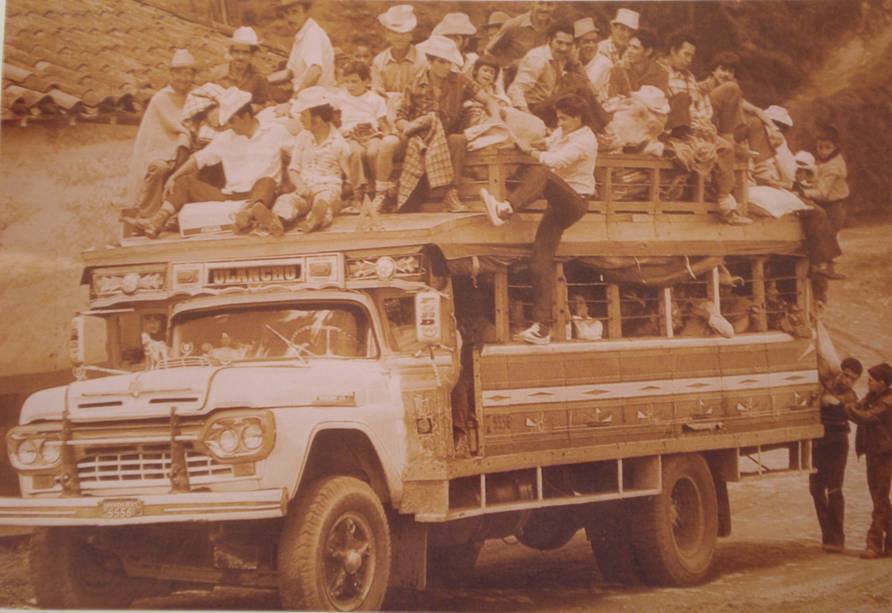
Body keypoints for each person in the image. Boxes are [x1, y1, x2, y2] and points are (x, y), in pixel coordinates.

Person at [479, 95, 596, 345]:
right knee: (539, 261)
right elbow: (546, 143)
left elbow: (553, 161)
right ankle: (543, 328)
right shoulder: (562, 134)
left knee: (544, 174)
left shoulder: (585, 140)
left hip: (575, 201)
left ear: (577, 118)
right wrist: (523, 142)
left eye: (564, 118)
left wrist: (532, 151)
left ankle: (506, 210)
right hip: (558, 205)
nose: (560, 122)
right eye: (559, 117)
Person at [131, 88, 292, 238]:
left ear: (247, 117)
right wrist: (174, 175)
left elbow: (297, 155)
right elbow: (198, 159)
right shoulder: (226, 138)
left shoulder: (276, 131)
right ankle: (158, 220)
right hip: (230, 196)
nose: (229, 126)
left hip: (262, 195)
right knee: (184, 182)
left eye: (232, 121)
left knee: (267, 181)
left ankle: (251, 213)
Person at [374, 36, 501, 214]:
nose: (446, 67)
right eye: (441, 62)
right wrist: (410, 126)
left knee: (458, 140)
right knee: (388, 143)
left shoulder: (459, 81)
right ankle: (380, 194)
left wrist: (496, 116)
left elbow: (487, 99)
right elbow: (400, 117)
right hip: (417, 135)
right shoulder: (415, 84)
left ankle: (451, 194)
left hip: (445, 135)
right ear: (430, 61)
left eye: (449, 62)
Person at [660, 30, 752, 225]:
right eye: (686, 54)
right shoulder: (660, 72)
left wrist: (704, 124)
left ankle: (724, 202)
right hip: (671, 127)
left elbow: (701, 108)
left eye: (692, 55)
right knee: (707, 147)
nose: (689, 59)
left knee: (725, 147)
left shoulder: (689, 78)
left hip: (694, 127)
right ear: (673, 51)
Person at [126, 49, 195, 214]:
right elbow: (160, 130)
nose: (184, 79)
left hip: (187, 148)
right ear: (172, 74)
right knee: (160, 168)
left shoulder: (194, 95)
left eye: (188, 74)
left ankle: (176, 217)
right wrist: (183, 135)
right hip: (159, 151)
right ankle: (147, 214)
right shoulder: (160, 98)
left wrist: (186, 136)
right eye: (179, 73)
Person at [273, 87, 351, 233]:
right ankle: (278, 220)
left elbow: (350, 177)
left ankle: (315, 219)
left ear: (317, 119)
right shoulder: (303, 137)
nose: (301, 119)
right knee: (286, 200)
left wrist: (342, 193)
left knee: (324, 201)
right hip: (305, 190)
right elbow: (293, 168)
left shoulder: (339, 143)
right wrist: (300, 186)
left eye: (304, 115)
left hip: (328, 188)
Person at [508, 20, 608, 129]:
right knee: (579, 89)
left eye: (568, 44)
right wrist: (528, 117)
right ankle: (603, 129)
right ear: (549, 40)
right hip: (535, 109)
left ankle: (599, 130)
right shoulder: (538, 58)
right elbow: (515, 89)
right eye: (559, 42)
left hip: (551, 105)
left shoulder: (564, 55)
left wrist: (595, 94)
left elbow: (582, 75)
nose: (563, 48)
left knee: (576, 82)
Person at [810, 356, 863, 552]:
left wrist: (831, 401)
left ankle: (837, 539)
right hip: (819, 442)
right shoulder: (826, 384)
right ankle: (828, 534)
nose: (847, 380)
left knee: (834, 489)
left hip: (838, 444)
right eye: (845, 375)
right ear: (840, 371)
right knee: (815, 489)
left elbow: (844, 406)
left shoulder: (851, 397)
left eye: (852, 379)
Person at [844, 362, 892, 559]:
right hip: (875, 453)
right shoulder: (874, 397)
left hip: (885, 454)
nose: (868, 384)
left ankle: (873, 544)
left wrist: (841, 405)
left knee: (879, 499)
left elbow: (864, 417)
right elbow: (858, 406)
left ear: (882, 383)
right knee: (881, 499)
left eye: (871, 381)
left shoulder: (887, 402)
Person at [333, 61, 390, 211]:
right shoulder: (340, 98)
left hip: (372, 133)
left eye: (355, 81)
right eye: (347, 81)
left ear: (366, 81)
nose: (350, 85)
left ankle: (380, 191)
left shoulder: (375, 99)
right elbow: (328, 111)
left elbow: (382, 122)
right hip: (351, 135)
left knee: (373, 152)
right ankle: (357, 194)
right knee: (355, 153)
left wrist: (388, 133)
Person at [802, 126, 850, 278]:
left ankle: (824, 269)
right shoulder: (828, 161)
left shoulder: (833, 166)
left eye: (827, 147)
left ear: (835, 147)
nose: (822, 151)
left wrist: (804, 193)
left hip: (833, 207)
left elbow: (823, 193)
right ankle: (821, 268)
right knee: (824, 236)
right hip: (831, 204)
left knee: (825, 237)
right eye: (819, 147)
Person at [370, 4, 427, 126]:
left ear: (411, 35)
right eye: (394, 33)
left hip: (413, 112)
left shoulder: (422, 60)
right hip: (385, 112)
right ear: (387, 35)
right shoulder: (378, 61)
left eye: (405, 33)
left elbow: (420, 94)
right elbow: (377, 93)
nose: (399, 37)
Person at [279, 0, 335, 95]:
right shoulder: (301, 34)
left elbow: (315, 71)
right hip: (304, 94)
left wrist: (293, 100)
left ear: (306, 13)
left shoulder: (313, 34)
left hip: (318, 97)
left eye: (295, 12)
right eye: (286, 13)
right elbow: (291, 72)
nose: (290, 18)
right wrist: (265, 79)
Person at [485, 1, 556, 74]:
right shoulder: (513, 25)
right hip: (512, 79)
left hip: (540, 79)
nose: (545, 9)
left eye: (550, 4)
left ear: (555, 6)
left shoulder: (555, 28)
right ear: (532, 3)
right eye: (540, 3)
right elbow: (489, 52)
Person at [586, 8, 639, 101]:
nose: (626, 34)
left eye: (630, 31)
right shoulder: (600, 49)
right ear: (612, 28)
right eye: (622, 29)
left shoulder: (631, 53)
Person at [208, 27, 269, 107]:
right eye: (237, 51)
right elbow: (205, 100)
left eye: (245, 52)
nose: (241, 57)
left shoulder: (258, 77)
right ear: (231, 52)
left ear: (252, 55)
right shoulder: (217, 73)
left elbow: (263, 103)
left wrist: (252, 109)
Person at [607, 29, 667, 99]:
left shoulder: (661, 74)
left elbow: (659, 103)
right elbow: (612, 99)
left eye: (635, 48)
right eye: (629, 46)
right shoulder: (618, 69)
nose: (629, 51)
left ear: (648, 52)